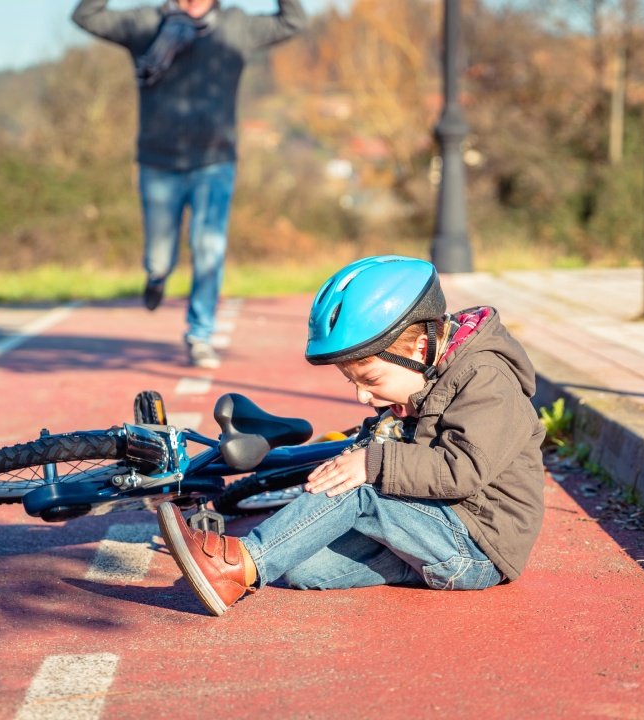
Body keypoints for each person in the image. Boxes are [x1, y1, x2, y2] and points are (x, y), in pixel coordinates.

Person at [157, 255, 547, 616]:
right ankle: (278, 558)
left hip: (477, 543)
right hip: (435, 529)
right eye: (352, 382)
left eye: (371, 379)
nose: (362, 395)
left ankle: (238, 567)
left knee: (360, 487)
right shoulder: (421, 376)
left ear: (422, 347)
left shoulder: (487, 381)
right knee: (301, 568)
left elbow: (461, 470)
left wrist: (370, 462)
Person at [72, 0, 306, 368]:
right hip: (158, 161)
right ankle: (156, 274)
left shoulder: (235, 26)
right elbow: (85, 16)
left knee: (208, 247)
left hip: (214, 161)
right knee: (160, 255)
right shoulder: (147, 23)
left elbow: (292, 21)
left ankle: (200, 334)